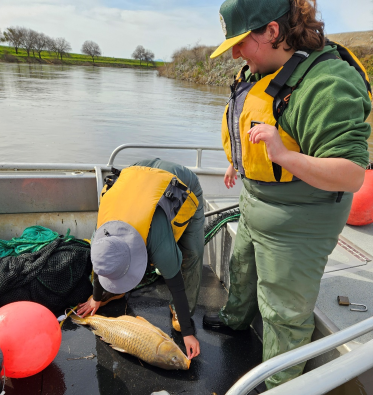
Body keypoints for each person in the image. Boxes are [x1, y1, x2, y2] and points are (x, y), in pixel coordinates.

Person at [203, 0, 371, 390]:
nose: (234, 53)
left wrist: (281, 154)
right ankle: (235, 321)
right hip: (255, 202)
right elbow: (256, 124)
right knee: (241, 270)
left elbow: (351, 175)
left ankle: (279, 384)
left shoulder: (327, 83)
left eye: (242, 41)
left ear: (273, 32)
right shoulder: (262, 68)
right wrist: (240, 163)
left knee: (283, 313)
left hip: (298, 221)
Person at [77, 158, 204, 360]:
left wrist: (188, 333)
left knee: (192, 254)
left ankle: (182, 311)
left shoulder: (156, 240)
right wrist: (96, 297)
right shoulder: (101, 236)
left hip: (180, 182)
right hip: (135, 176)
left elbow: (176, 283)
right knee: (113, 262)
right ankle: (110, 292)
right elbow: (101, 264)